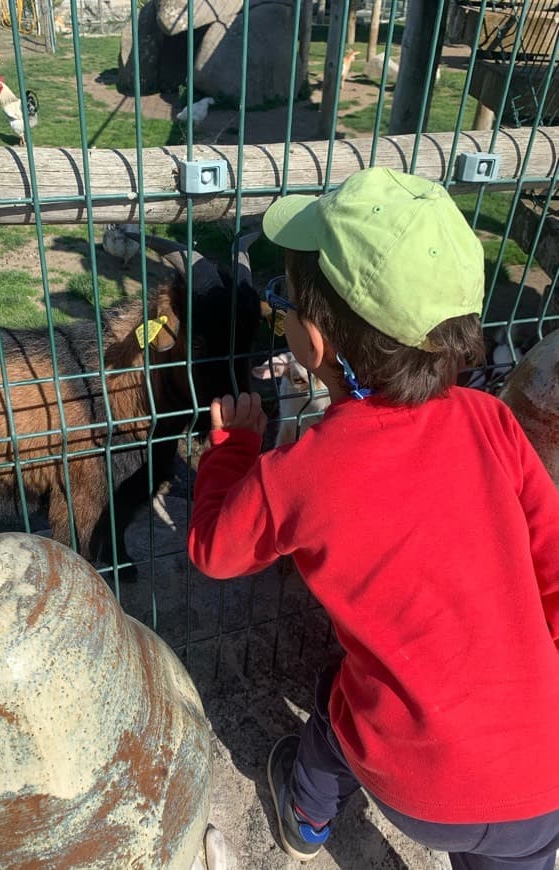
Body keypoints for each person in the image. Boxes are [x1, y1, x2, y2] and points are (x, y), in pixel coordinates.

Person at [187, 167, 559, 869]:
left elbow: (213, 549)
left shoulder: (304, 470)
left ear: (314, 346)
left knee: (341, 700)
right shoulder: (491, 421)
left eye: (286, 305)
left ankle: (304, 818)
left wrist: (233, 450)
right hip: (546, 775)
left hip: (419, 786)